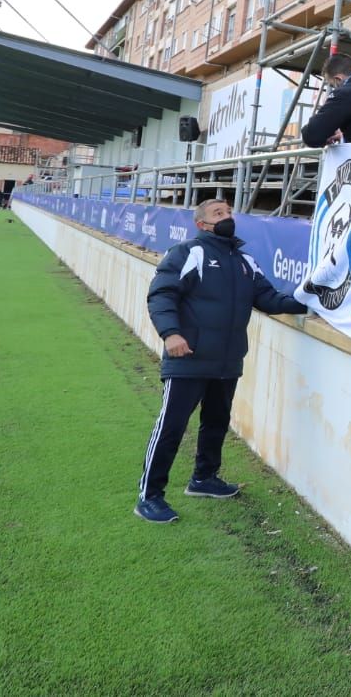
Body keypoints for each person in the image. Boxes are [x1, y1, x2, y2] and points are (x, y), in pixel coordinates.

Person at [136, 199, 307, 523]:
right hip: (188, 358)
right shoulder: (187, 253)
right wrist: (171, 334)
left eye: (229, 212)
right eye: (218, 213)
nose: (227, 217)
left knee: (215, 423)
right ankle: (150, 497)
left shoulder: (244, 260)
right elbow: (162, 295)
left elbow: (269, 299)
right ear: (201, 224)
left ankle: (204, 479)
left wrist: (309, 301)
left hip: (227, 362)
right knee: (171, 427)